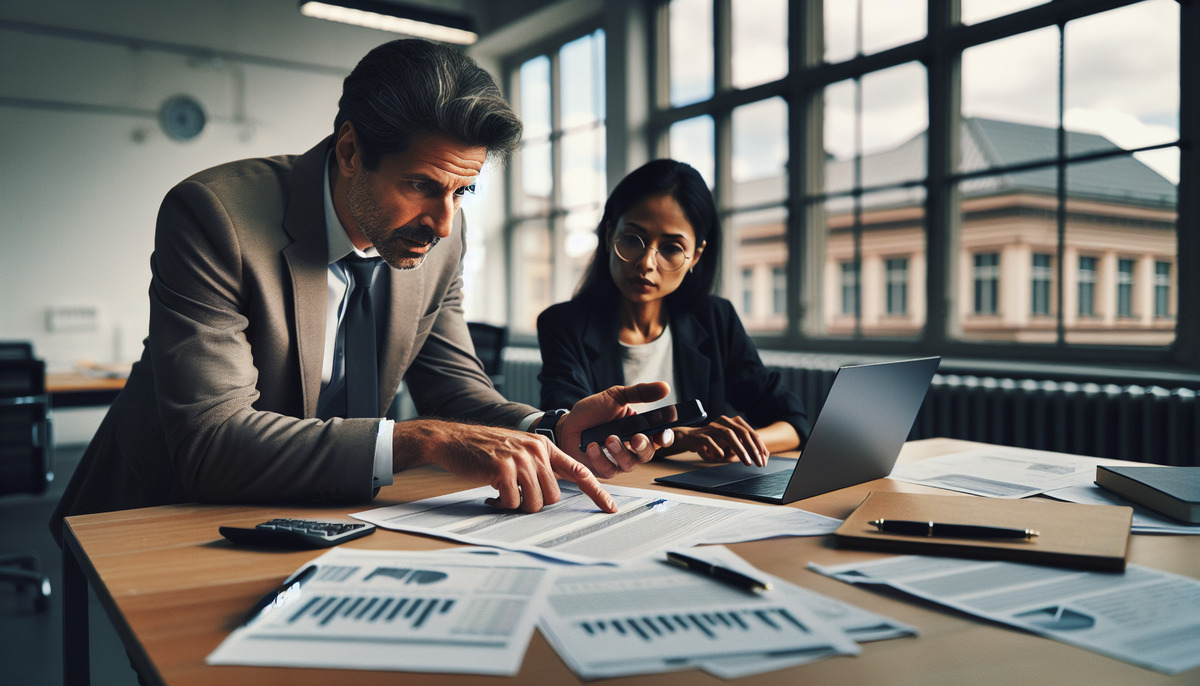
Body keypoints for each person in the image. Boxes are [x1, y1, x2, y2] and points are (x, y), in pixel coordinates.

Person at [50, 39, 671, 544]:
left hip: (330, 517)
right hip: (163, 516)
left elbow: (455, 391)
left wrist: (549, 426)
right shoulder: (214, 216)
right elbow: (212, 443)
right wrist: (420, 439)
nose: (445, 222)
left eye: (464, 192)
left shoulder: (442, 239)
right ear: (350, 150)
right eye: (424, 185)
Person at [537, 159, 810, 468]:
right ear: (610, 232)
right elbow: (576, 436)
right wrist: (680, 437)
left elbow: (793, 422)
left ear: (696, 256)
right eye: (632, 239)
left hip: (702, 493)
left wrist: (738, 444)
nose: (646, 263)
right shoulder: (562, 325)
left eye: (670, 248)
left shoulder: (716, 319)